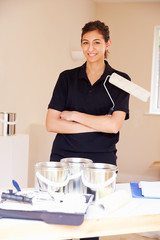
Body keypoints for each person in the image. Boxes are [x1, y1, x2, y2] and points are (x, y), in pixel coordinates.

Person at [46, 20, 130, 240]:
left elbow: (114, 126)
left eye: (96, 42)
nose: (90, 48)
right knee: (59, 223)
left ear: (107, 44)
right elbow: (51, 123)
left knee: (92, 226)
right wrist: (98, 123)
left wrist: (74, 116)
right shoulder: (66, 77)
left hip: (101, 164)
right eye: (85, 42)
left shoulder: (122, 81)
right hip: (64, 158)